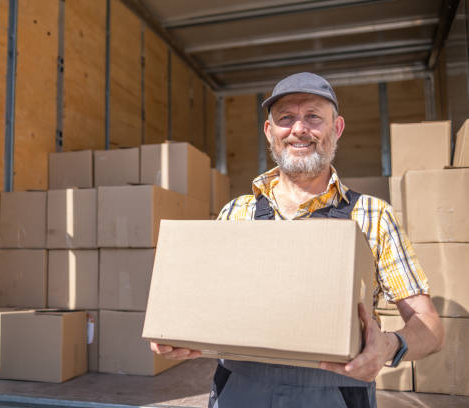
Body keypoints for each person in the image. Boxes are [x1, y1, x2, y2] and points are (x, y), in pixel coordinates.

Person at [150, 72, 444, 408]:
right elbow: (199, 306)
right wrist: (173, 335)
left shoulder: (373, 216)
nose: (299, 129)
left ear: (337, 128)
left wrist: (389, 346)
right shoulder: (236, 213)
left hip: (336, 393)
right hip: (240, 393)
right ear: (269, 132)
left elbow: (431, 328)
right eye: (286, 118)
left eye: (313, 117)